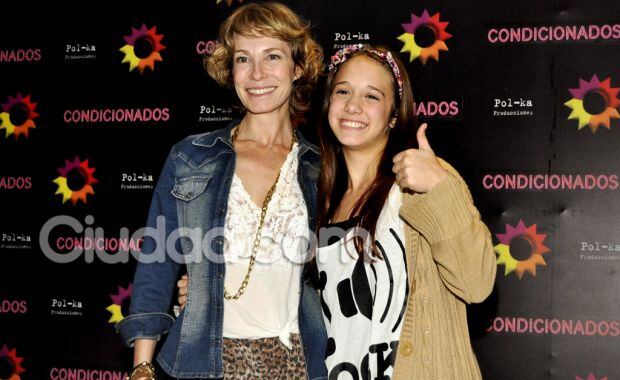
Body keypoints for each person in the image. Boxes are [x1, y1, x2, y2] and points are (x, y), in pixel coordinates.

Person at [116, 3, 327, 379]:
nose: (257, 73)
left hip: (296, 360)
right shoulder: (191, 157)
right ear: (231, 71)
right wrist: (142, 366)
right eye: (243, 59)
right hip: (205, 360)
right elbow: (156, 264)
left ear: (297, 68)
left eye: (273, 56)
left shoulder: (317, 167)